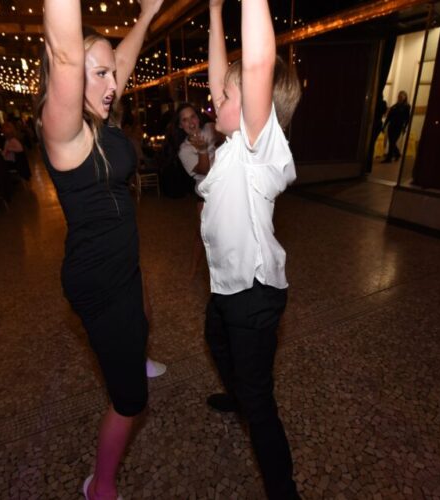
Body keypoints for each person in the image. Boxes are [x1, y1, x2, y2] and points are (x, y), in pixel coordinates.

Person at [36, 0, 164, 498]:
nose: (114, 85)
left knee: (144, 310)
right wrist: (76, 58)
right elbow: (68, 58)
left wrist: (148, 15)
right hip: (97, 279)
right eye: (101, 74)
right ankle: (100, 485)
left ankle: (137, 351)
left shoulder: (100, 120)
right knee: (131, 401)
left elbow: (117, 64)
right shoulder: (64, 129)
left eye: (113, 74)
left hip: (122, 266)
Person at [200, 0, 302, 498]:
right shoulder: (233, 146)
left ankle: (284, 490)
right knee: (213, 335)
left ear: (256, 106)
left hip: (253, 296)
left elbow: (257, 63)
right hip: (229, 286)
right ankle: (240, 395)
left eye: (225, 96)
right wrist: (216, 11)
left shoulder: (261, 149)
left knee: (261, 402)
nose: (215, 99)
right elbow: (228, 74)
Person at [171, 103, 217, 278]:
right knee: (201, 235)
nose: (191, 122)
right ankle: (192, 269)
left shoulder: (210, 128)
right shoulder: (184, 150)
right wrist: (203, 150)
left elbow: (228, 135)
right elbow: (203, 171)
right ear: (181, 126)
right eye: (185, 120)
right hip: (205, 196)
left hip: (224, 191)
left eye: (193, 117)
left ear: (198, 118)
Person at [382, 90, 410, 163]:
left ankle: (389, 157)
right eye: (399, 95)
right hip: (391, 126)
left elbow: (407, 118)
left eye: (402, 96)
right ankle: (396, 154)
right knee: (391, 141)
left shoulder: (406, 106)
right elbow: (389, 117)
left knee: (392, 141)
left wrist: (404, 127)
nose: (400, 97)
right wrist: (384, 125)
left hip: (398, 126)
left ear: (405, 97)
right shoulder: (395, 106)